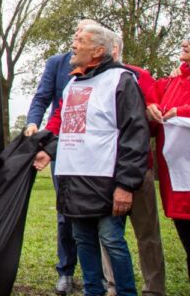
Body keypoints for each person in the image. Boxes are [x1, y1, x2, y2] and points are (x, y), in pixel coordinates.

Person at [34, 24, 150, 296]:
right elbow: (63, 123)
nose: (73, 46)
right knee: (82, 240)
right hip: (73, 180)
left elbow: (135, 134)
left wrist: (126, 185)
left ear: (98, 50)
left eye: (80, 40)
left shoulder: (122, 80)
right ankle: (92, 292)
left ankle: (125, 292)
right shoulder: (73, 83)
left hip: (106, 181)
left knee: (111, 240)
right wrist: (47, 150)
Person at [24, 18, 98, 295]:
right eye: (76, 31)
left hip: (94, 150)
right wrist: (34, 123)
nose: (77, 36)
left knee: (97, 214)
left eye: (83, 33)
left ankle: (97, 275)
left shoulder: (101, 67)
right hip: (62, 147)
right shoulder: (57, 63)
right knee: (65, 212)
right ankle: (65, 271)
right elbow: (42, 97)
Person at [99, 32, 165, 295]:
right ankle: (113, 286)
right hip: (103, 170)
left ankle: (154, 288)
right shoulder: (92, 79)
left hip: (139, 170)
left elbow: (151, 117)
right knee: (108, 236)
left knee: (147, 234)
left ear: (114, 49)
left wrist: (152, 111)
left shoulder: (139, 75)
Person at [148, 37, 190, 280]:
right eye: (183, 41)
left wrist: (182, 112)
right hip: (179, 180)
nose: (183, 44)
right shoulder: (172, 81)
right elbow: (152, 98)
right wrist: (152, 109)